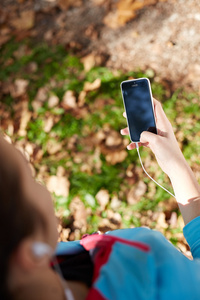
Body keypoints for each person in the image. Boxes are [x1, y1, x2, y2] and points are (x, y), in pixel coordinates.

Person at [1, 99, 200, 300]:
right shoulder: (145, 271)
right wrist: (178, 168)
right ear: (29, 254)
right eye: (30, 177)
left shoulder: (48, 261)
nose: (41, 184)